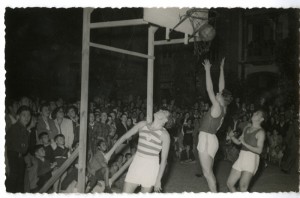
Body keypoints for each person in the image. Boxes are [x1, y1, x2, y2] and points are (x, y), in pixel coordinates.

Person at [105, 109, 170, 193]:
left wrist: (158, 180)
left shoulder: (165, 135)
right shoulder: (142, 124)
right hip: (137, 163)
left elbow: (164, 160)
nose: (160, 110)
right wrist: (109, 153)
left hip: (151, 167)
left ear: (165, 120)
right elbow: (124, 137)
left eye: (163, 111)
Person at [197, 58, 232, 192]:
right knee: (209, 172)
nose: (217, 93)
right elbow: (222, 88)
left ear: (222, 98)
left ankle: (214, 194)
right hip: (212, 139)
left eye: (219, 94)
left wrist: (207, 70)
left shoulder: (217, 106)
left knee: (207, 174)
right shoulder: (224, 108)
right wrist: (222, 68)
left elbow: (209, 89)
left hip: (206, 139)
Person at [227, 110, 266, 192]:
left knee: (243, 188)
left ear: (261, 119)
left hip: (251, 159)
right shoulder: (246, 128)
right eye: (254, 112)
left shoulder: (261, 132)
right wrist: (232, 137)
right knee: (230, 184)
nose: (254, 114)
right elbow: (239, 142)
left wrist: (245, 143)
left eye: (257, 114)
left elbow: (259, 150)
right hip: (241, 157)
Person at [6, 106, 32, 193]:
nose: (27, 118)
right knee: (14, 182)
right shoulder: (16, 128)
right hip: (14, 157)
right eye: (24, 115)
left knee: (19, 182)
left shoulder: (23, 129)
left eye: (29, 115)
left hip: (19, 157)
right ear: (18, 116)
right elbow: (22, 148)